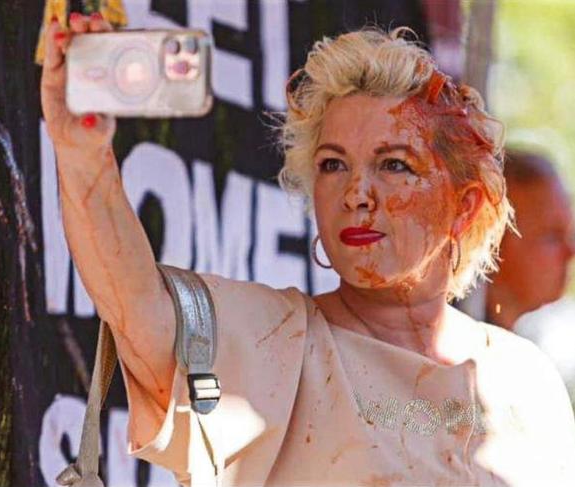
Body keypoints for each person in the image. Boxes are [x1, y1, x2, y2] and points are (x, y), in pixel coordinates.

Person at [42, 13, 575, 486]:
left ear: (465, 206)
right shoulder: (278, 341)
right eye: (332, 164)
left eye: (394, 164)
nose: (355, 194)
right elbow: (136, 308)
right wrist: (81, 153)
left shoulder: (527, 377)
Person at [486, 149, 575, 329]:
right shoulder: (435, 342)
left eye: (569, 234)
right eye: (551, 237)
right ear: (493, 242)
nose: (570, 252)